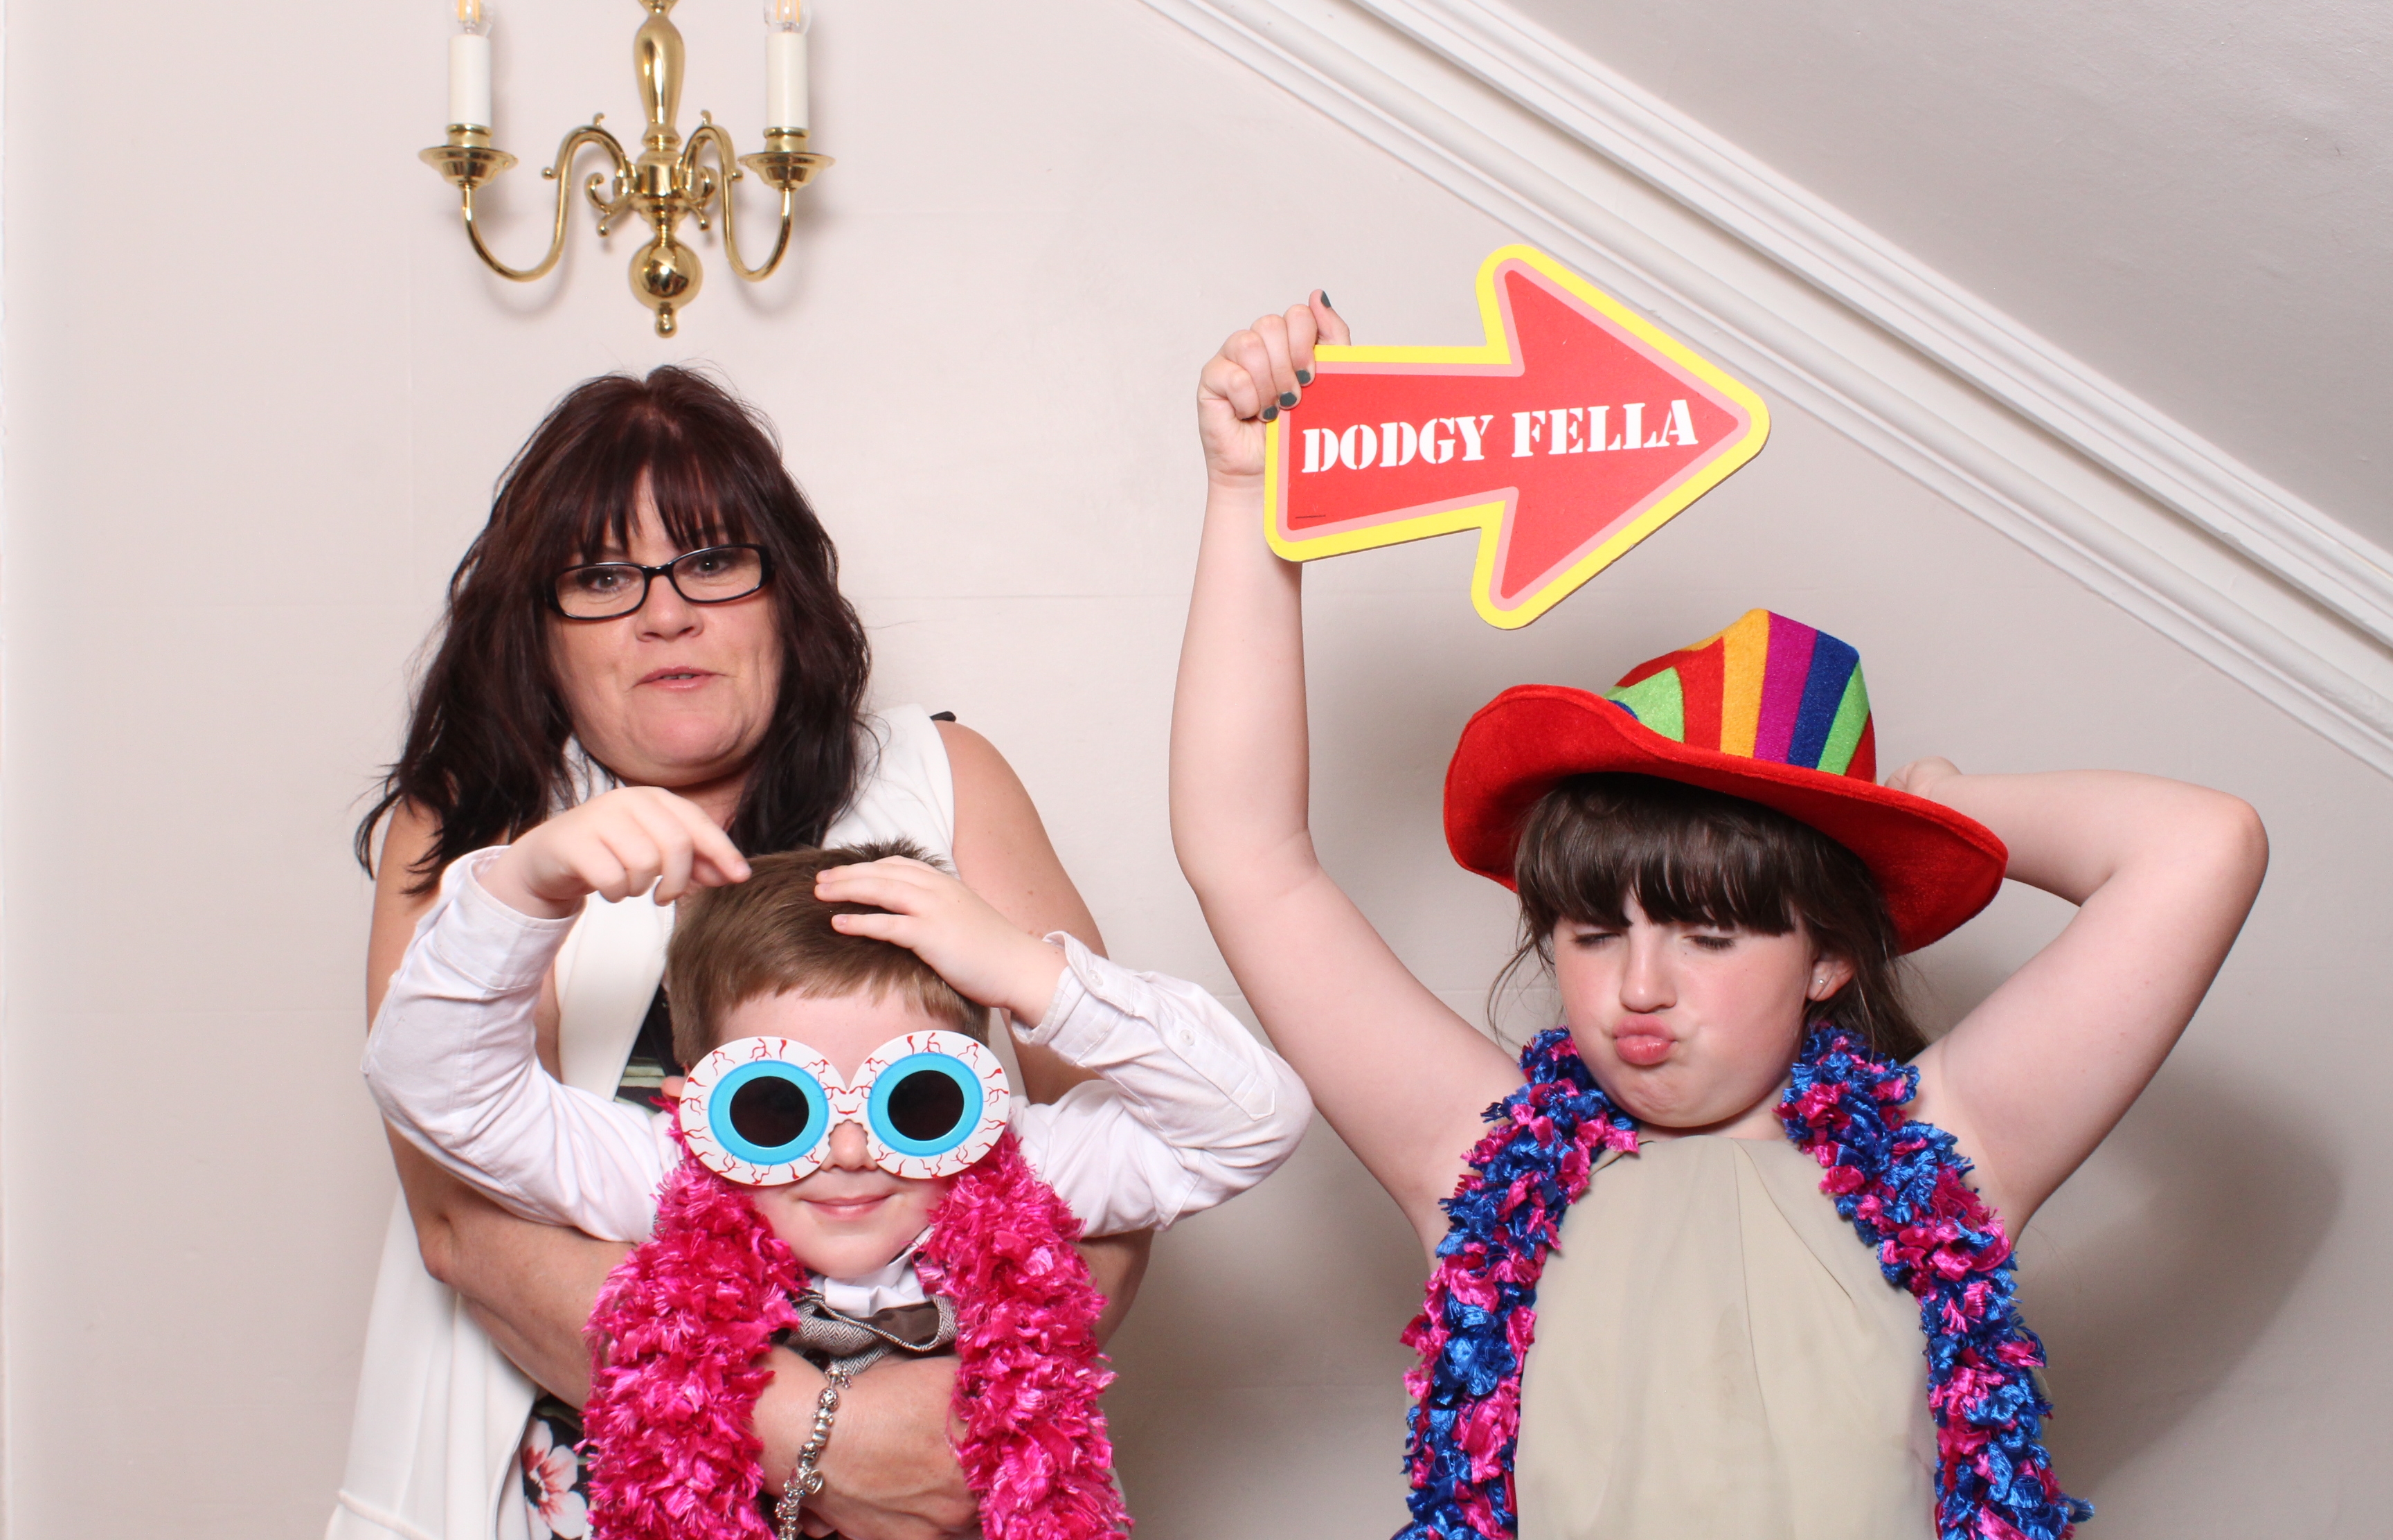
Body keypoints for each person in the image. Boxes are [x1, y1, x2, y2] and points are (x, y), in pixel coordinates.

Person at [1169, 296, 2269, 1538]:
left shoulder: (1947, 1156)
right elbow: (1248, 858)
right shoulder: (1483, 1165)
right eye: (1596, 933)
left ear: (1829, 955)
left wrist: (1939, 810)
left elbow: (2203, 848)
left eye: (1708, 936)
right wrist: (1250, 498)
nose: (1639, 986)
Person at [332, 367, 1146, 1540]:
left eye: (712, 560)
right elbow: (464, 1224)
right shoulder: (484, 830)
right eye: (602, 578)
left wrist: (965, 1428)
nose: (666, 614)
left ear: (788, 594)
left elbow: (1121, 1145)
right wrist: (829, 1437)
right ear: (538, 630)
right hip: (563, 1478)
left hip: (938, 1486)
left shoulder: (948, 779)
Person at [363, 823, 1309, 1539]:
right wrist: (525, 890)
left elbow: (1253, 1121)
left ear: (980, 1093)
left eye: (918, 1101)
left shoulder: (1025, 1163)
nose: (851, 1151)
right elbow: (438, 1090)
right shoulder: (664, 1170)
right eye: (778, 1107)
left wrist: (1037, 975)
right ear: (693, 1102)